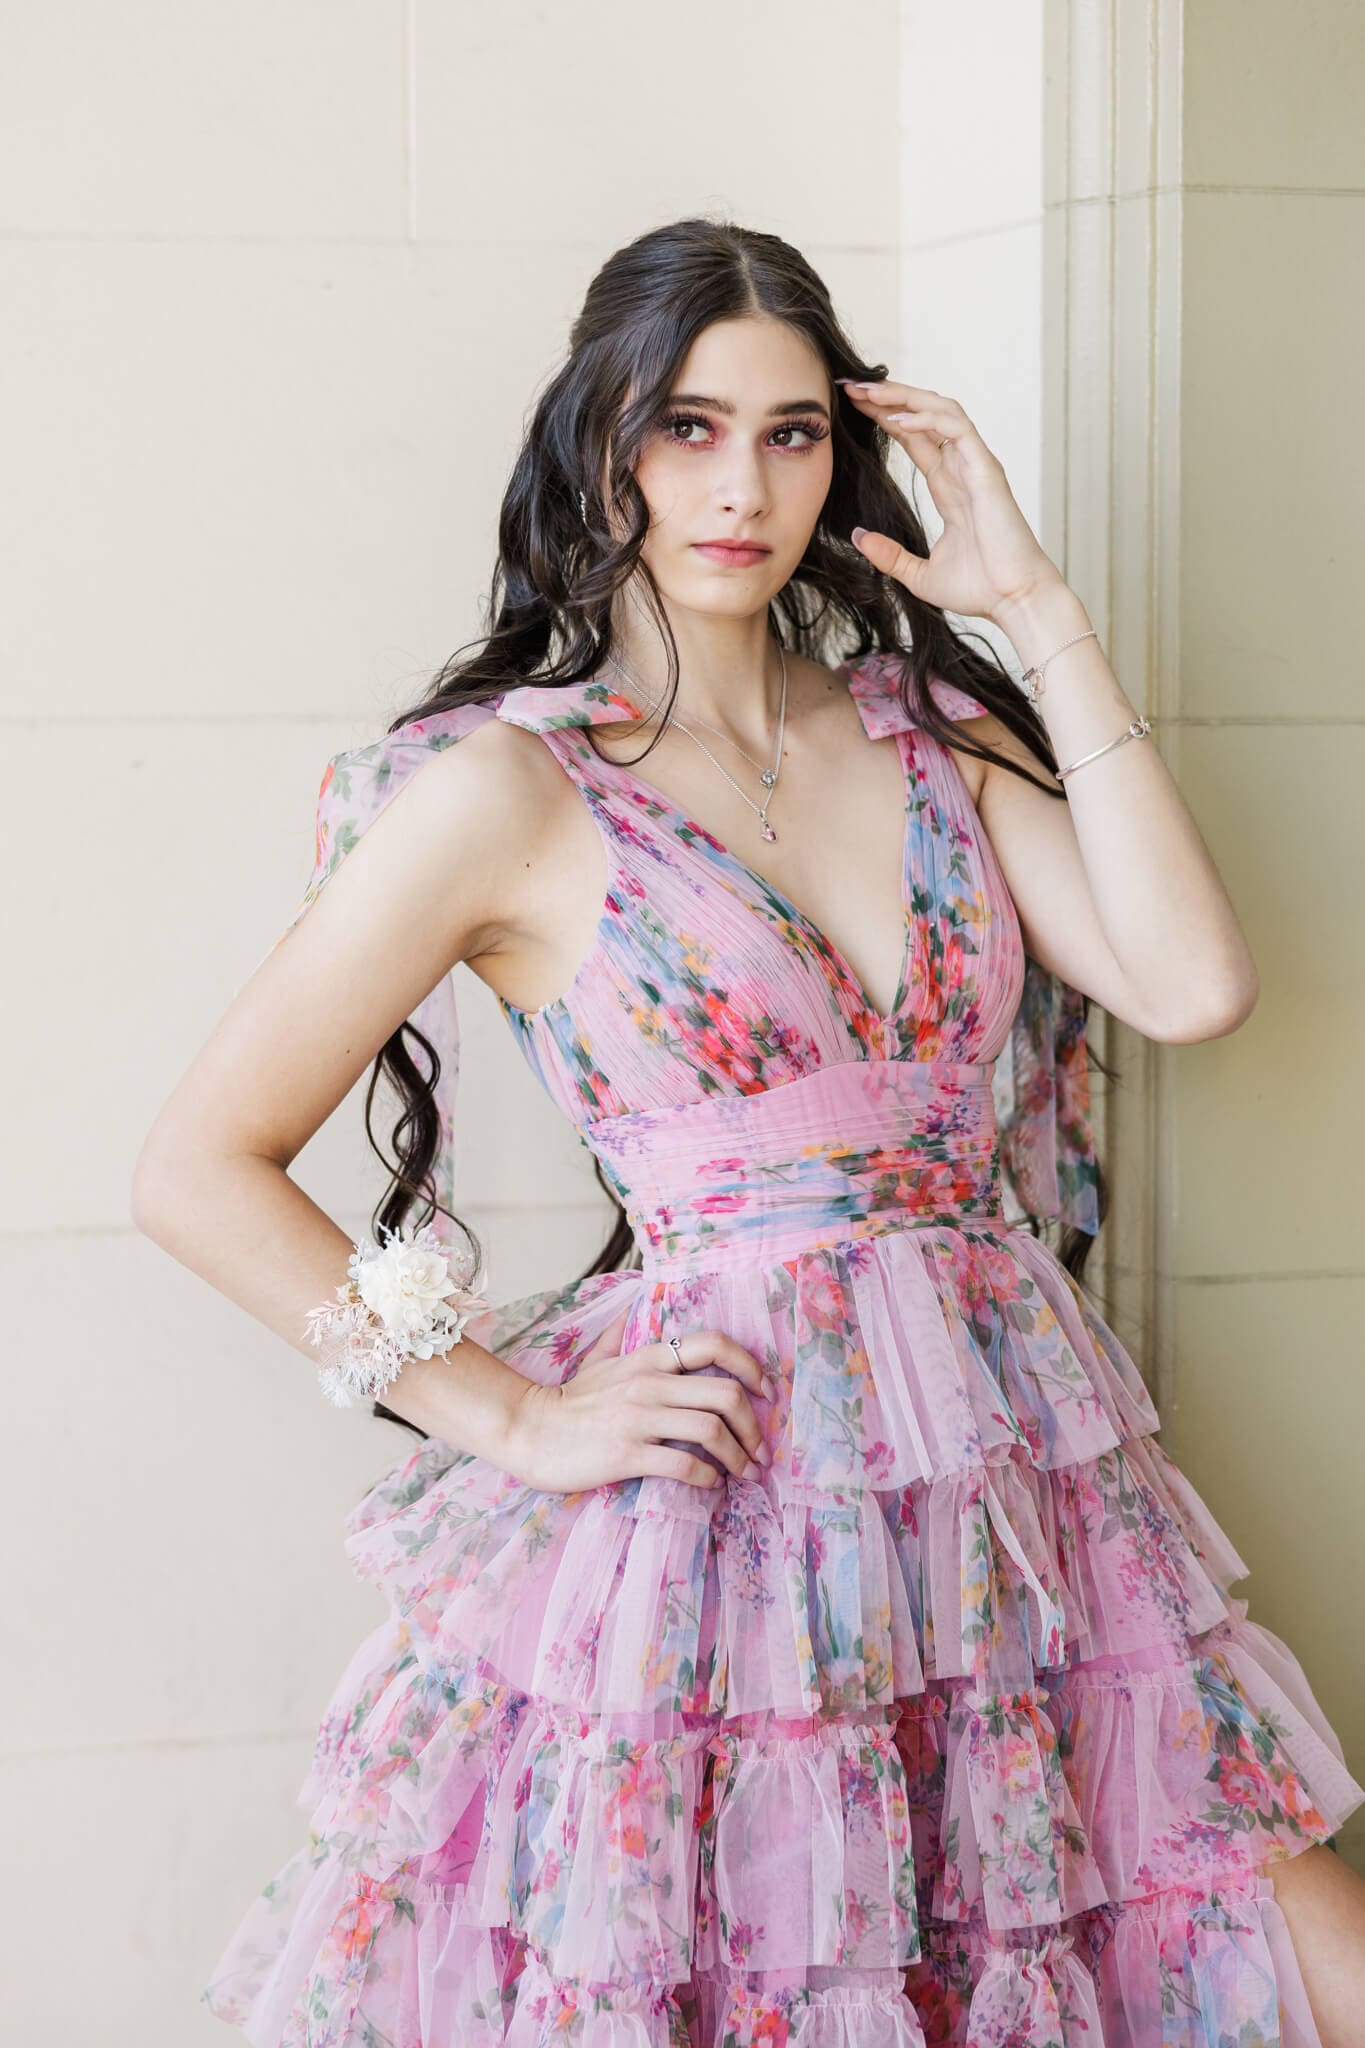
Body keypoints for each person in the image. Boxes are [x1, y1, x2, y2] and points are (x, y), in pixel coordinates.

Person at [132, 217, 1365, 2047]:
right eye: (686, 428)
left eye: (792, 434)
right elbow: (193, 1170)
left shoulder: (929, 724)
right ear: (600, 442)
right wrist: (512, 1414)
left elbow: (1188, 984)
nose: (742, 484)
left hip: (1018, 1510)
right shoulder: (508, 790)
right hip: (721, 1527)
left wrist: (1031, 614)